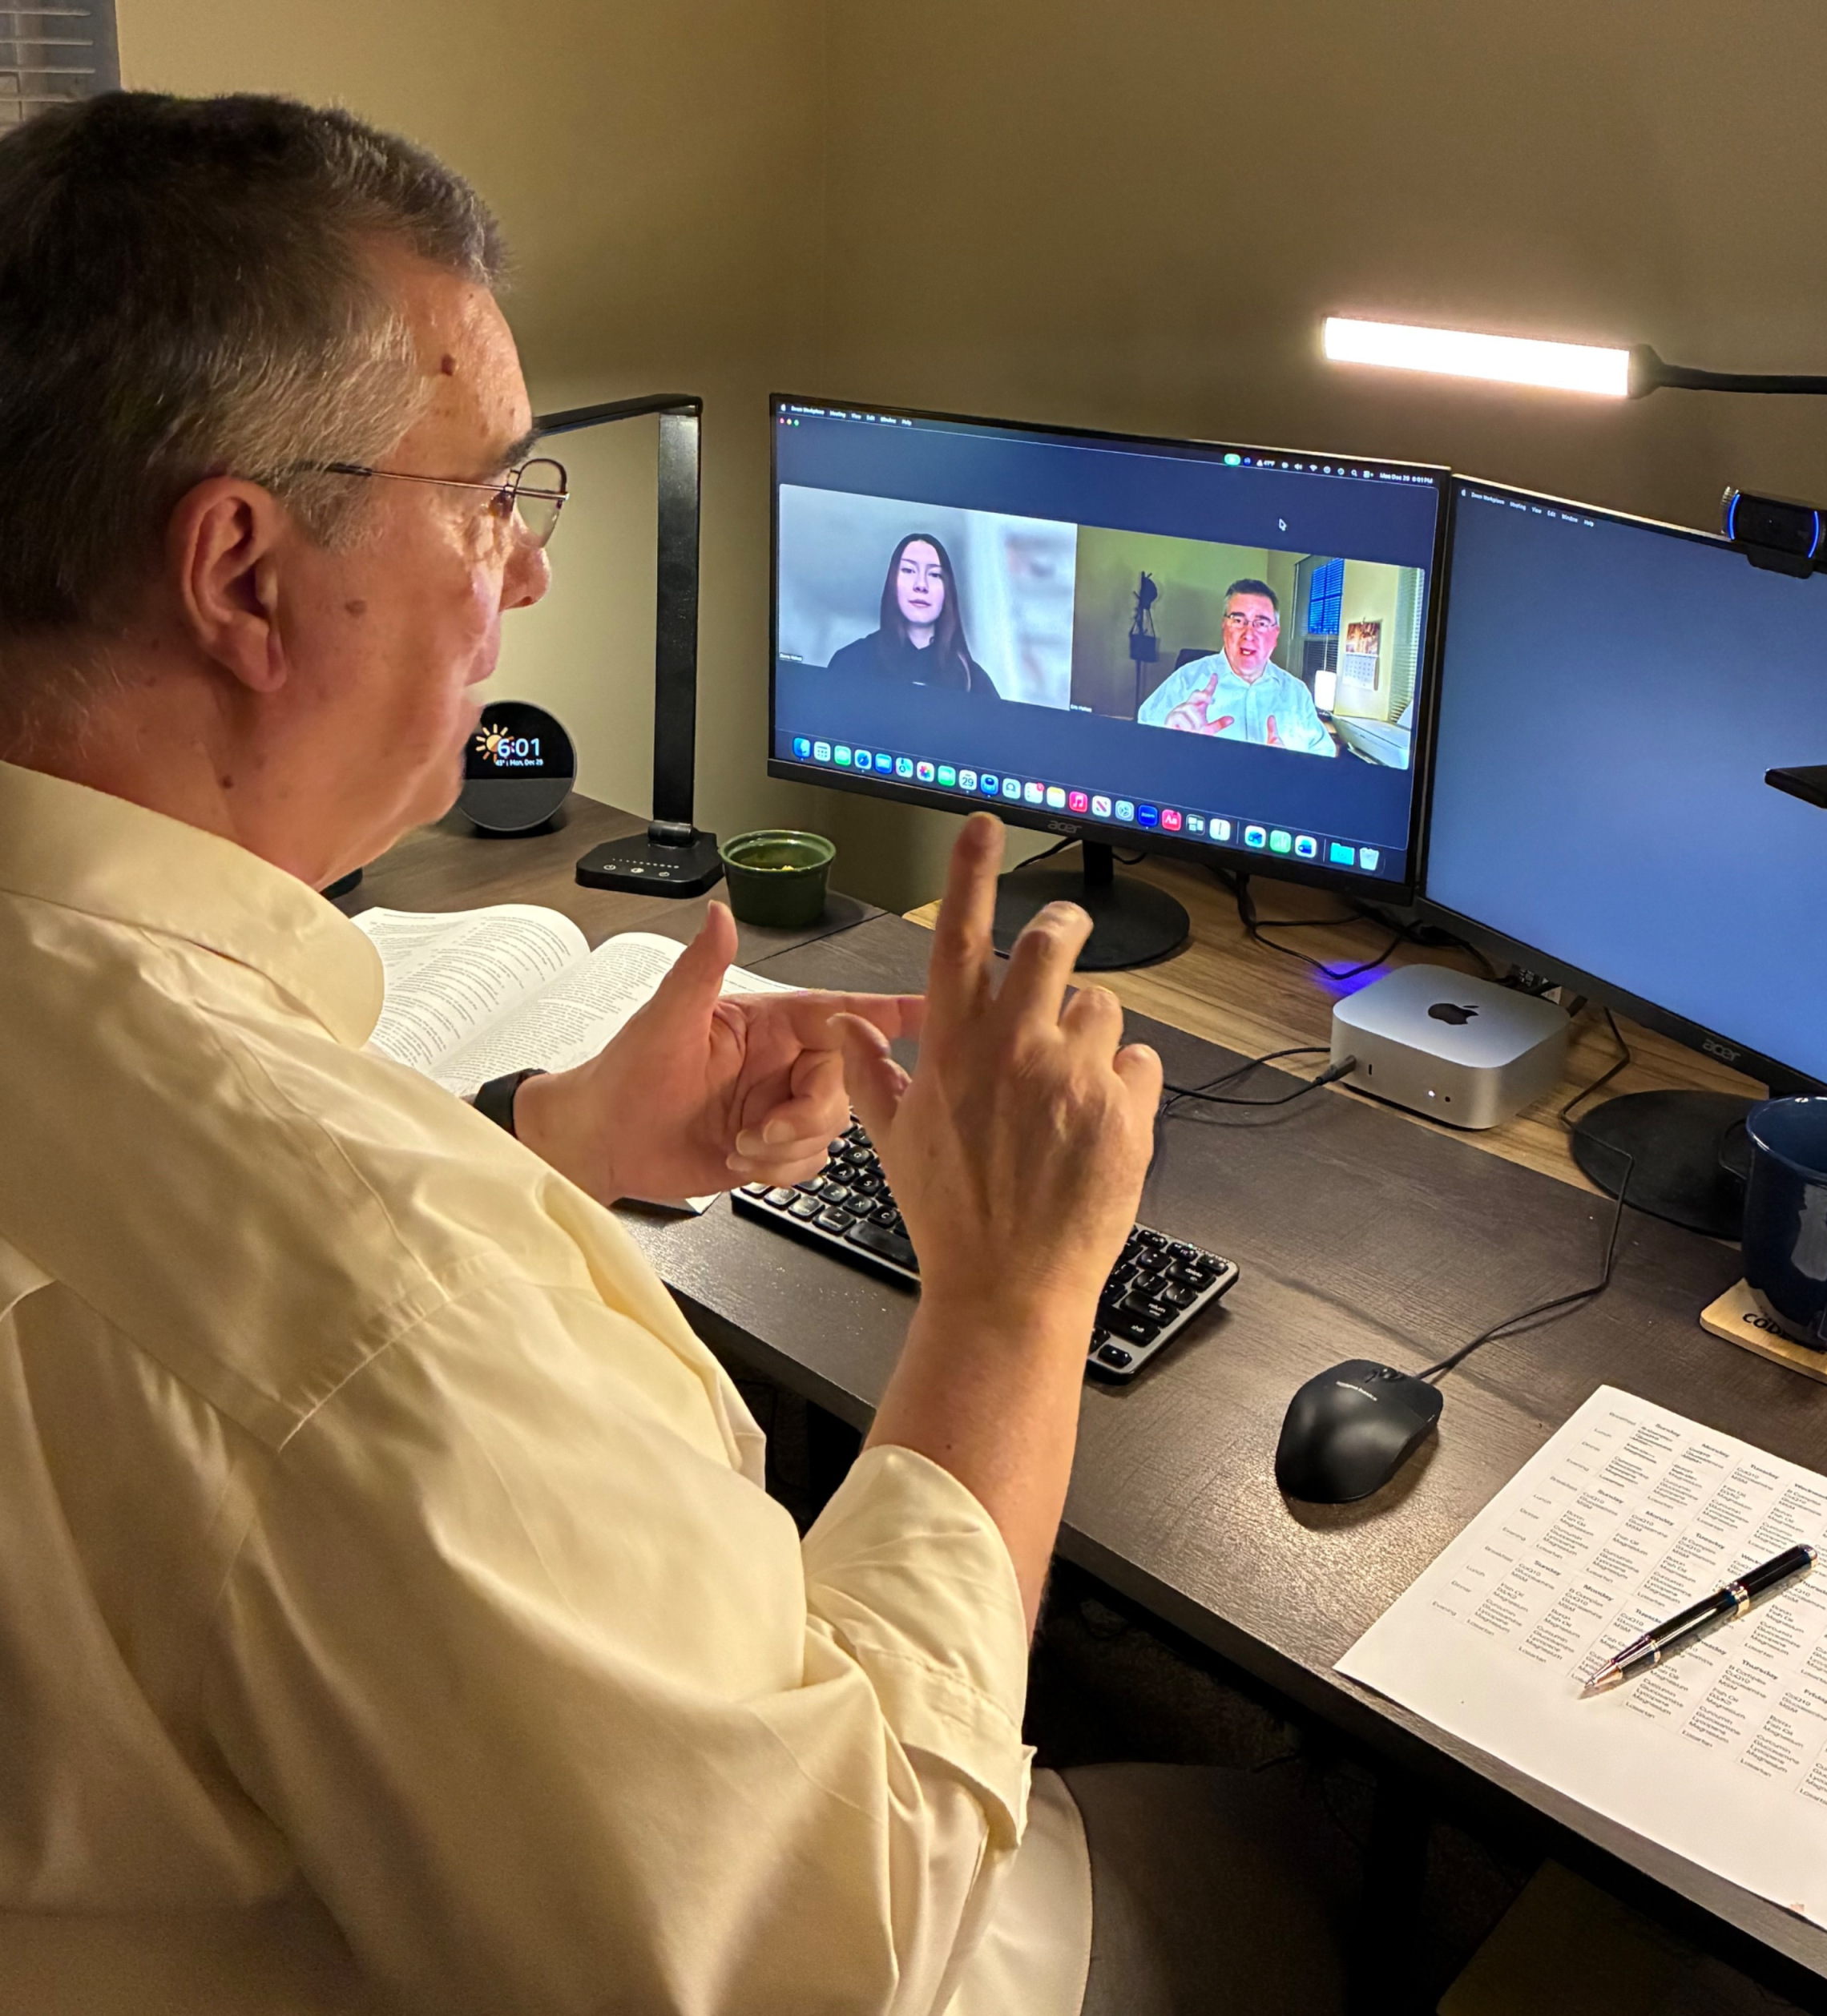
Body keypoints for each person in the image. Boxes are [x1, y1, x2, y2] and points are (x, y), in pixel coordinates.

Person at [0, 92, 1345, 2016]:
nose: (523, 574)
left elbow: (176, 1347)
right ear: (240, 576)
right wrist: (1007, 1300)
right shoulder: (374, 1299)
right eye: (486, 499)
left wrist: (544, 1147)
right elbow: (844, 1942)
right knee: (1320, 1858)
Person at [1136, 579, 1337, 755]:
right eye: (1238, 620)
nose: (1248, 634)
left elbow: (1323, 757)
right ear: (1224, 627)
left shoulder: (1297, 694)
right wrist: (1170, 742)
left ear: (1275, 634)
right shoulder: (1185, 680)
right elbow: (1140, 747)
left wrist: (1289, 767)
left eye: (1261, 623)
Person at [827, 530, 1001, 696]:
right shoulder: (852, 662)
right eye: (909, 571)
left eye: (934, 574)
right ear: (892, 583)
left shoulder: (975, 682)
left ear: (947, 590)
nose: (921, 585)